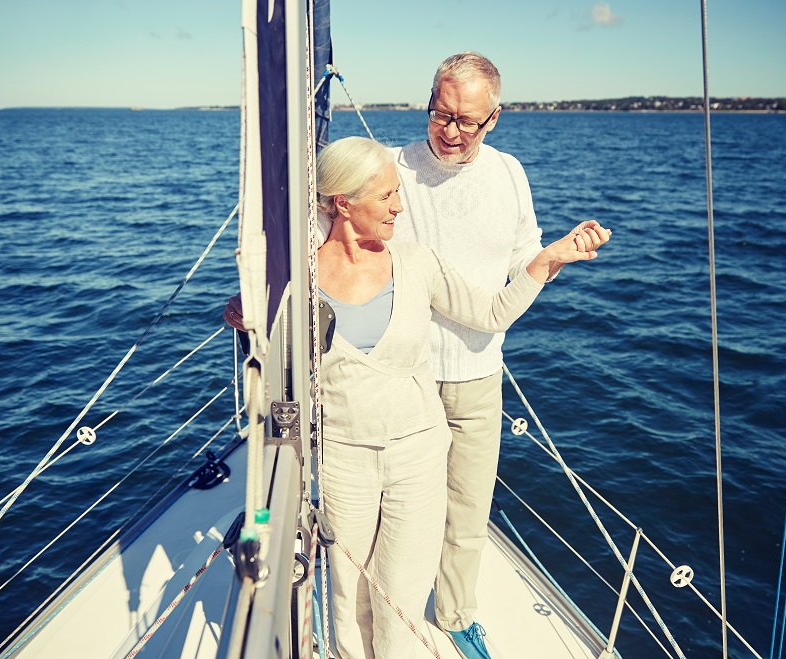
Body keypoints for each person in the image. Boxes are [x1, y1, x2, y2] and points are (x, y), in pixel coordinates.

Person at [224, 136, 610, 659]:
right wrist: (283, 466)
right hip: (341, 460)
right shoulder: (296, 284)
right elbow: (282, 387)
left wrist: (551, 259)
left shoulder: (416, 263)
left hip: (419, 457)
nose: (399, 207)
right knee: (348, 593)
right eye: (385, 197)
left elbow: (493, 313)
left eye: (398, 193)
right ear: (343, 202)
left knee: (401, 596)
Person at [390, 51, 574, 658]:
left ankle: (456, 613)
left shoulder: (509, 175)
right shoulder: (394, 169)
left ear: (494, 117)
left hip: (477, 374)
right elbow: (326, 231)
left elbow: (528, 255)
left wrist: (558, 255)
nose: (450, 130)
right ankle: (384, 607)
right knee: (399, 509)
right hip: (403, 375)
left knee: (468, 510)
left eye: (467, 121)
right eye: (441, 114)